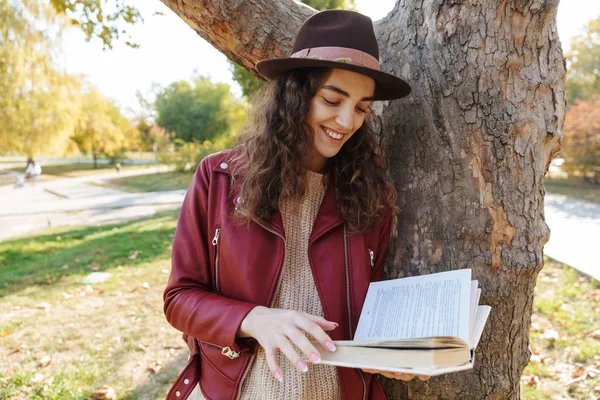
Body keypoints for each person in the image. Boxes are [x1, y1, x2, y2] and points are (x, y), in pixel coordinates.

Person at [164, 10, 429, 400]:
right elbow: (179, 298)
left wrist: (396, 354)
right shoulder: (218, 178)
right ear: (296, 94)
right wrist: (253, 319)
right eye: (333, 99)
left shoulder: (372, 196)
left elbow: (369, 311)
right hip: (235, 390)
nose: (346, 120)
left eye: (360, 107)